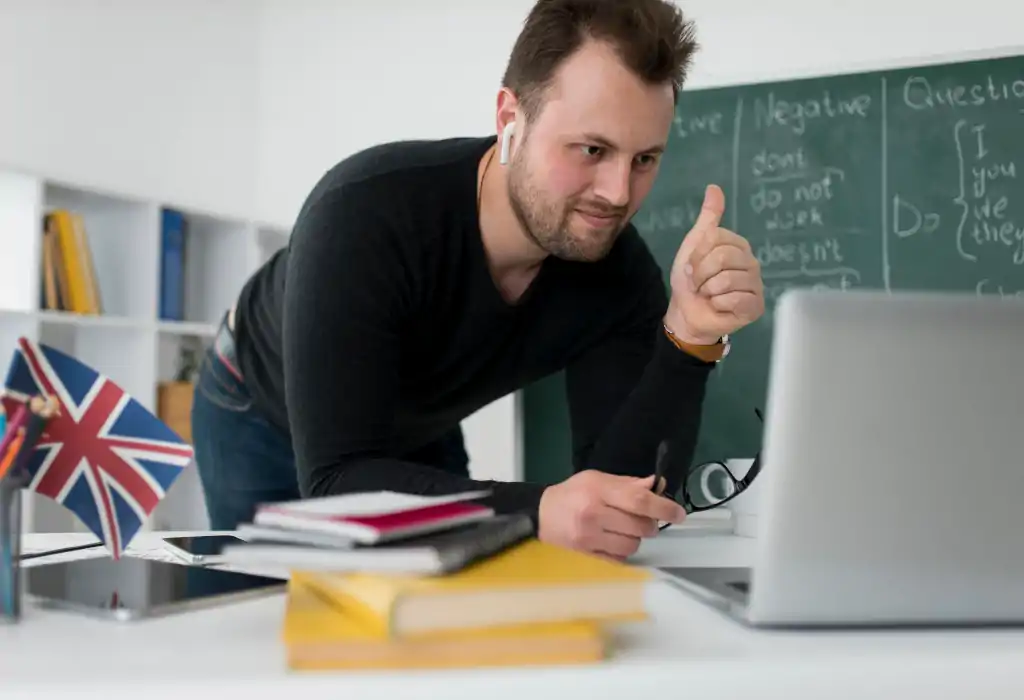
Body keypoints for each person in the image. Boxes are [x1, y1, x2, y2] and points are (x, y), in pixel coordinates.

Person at [190, 0, 765, 561]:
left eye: (644, 160)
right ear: (509, 119)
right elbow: (337, 480)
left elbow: (622, 497)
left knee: (441, 621)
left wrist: (689, 339)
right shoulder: (365, 212)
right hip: (260, 410)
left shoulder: (618, 271)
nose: (618, 194)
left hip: (416, 427)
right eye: (592, 149)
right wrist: (539, 511)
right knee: (262, 621)